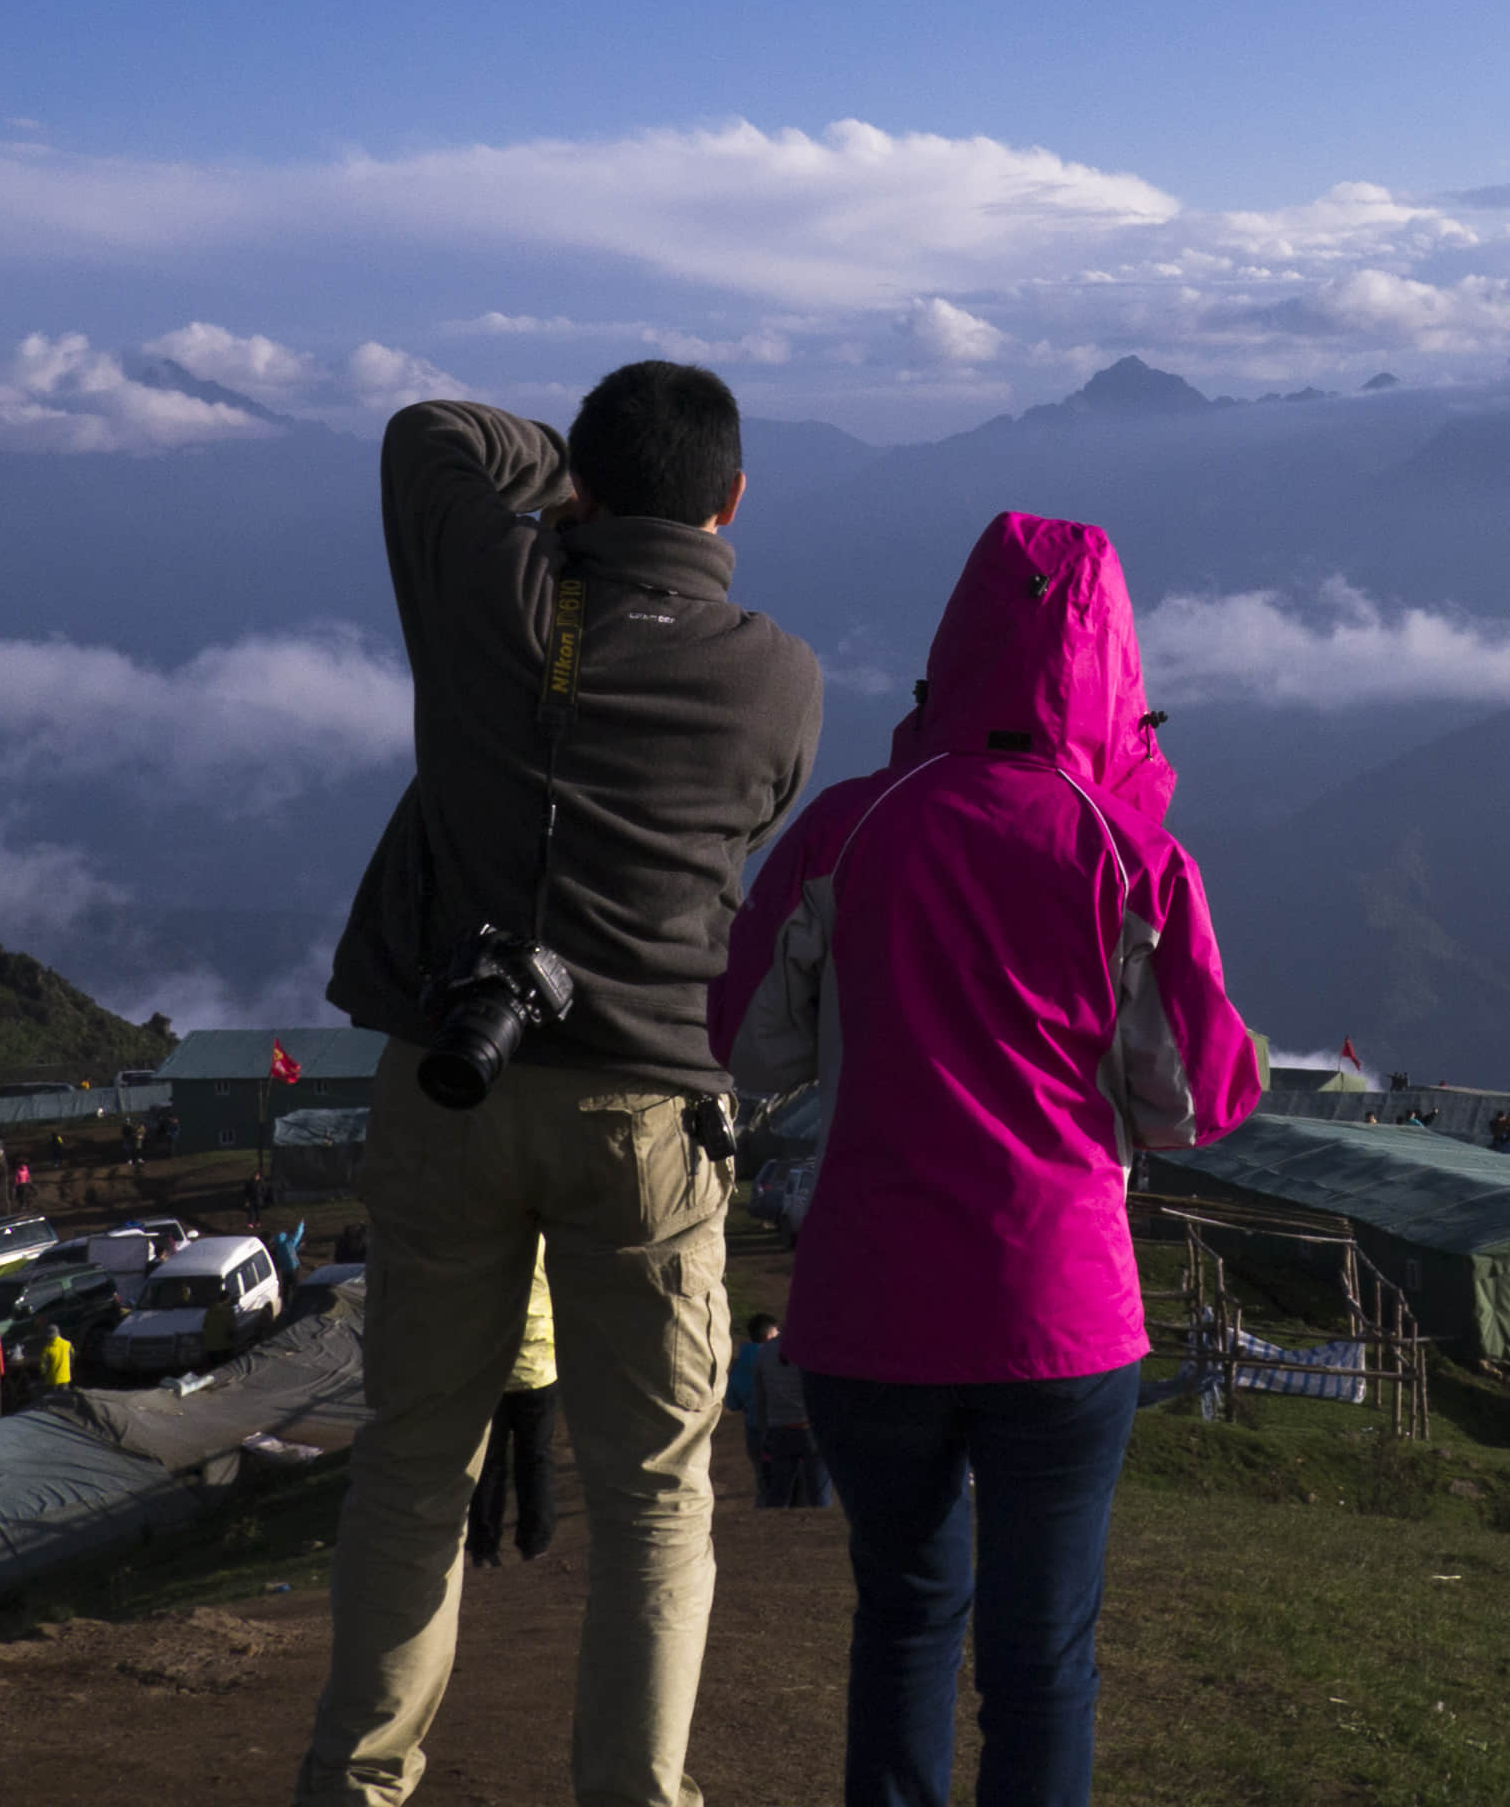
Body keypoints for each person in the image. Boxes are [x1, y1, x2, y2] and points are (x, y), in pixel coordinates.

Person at [293, 370, 826, 1807]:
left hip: (453, 1084)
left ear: (581, 483)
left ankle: (357, 1784)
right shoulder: (777, 671)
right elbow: (752, 825)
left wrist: (558, 479)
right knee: (655, 1498)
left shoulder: (495, 595)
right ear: (733, 504)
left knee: (413, 1468)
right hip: (647, 1112)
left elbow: (429, 436)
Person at [714, 512, 1261, 1807]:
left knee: (903, 1619)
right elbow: (1193, 1100)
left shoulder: (850, 828)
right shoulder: (1135, 858)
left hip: (869, 1307)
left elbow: (746, 1045)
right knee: (1041, 1664)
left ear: (951, 652)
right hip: (1063, 1317)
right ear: (1116, 674)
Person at [469, 1247, 561, 1567]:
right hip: (538, 1361)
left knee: (487, 1461)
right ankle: (535, 1541)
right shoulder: (544, 1240)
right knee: (536, 1457)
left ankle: (484, 1545)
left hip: (488, 1365)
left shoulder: (481, 1236)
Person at [730, 1315, 825, 1509]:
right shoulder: (803, 1352)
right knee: (813, 1489)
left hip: (766, 1430)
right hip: (804, 1427)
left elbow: (735, 1402)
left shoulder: (746, 1362)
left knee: (772, 1488)